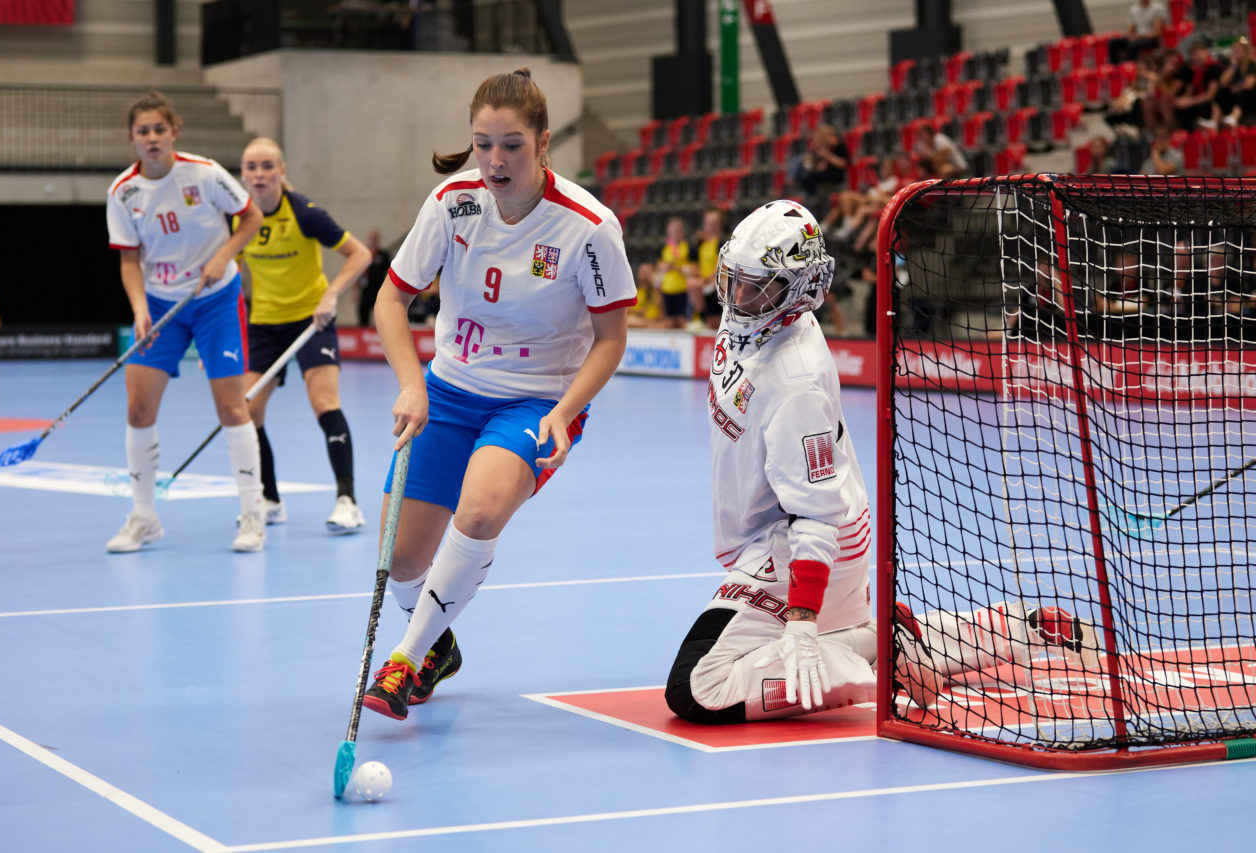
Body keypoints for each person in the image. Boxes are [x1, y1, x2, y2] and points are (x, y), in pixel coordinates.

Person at [663, 200, 1101, 723]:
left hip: (802, 544)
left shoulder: (796, 380)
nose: (741, 299)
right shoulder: (749, 326)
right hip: (775, 533)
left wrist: (803, 621)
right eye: (735, 280)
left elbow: (816, 513)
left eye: (761, 288)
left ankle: (882, 661)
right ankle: (997, 630)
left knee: (697, 688)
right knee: (804, 644)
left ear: (801, 291)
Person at [363, 68, 638, 720]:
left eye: (511, 144)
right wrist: (411, 383)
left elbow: (610, 337)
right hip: (449, 391)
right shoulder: (451, 203)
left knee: (480, 511)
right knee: (401, 558)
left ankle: (403, 660)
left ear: (543, 144)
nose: (494, 160)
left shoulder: (589, 227)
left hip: (536, 402)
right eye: (483, 143)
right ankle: (438, 647)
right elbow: (390, 300)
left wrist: (566, 415)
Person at [104, 91, 265, 553]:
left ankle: (252, 513)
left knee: (232, 407)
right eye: (143, 131)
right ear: (131, 138)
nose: (151, 138)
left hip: (216, 298)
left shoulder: (205, 173)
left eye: (159, 129)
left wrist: (222, 256)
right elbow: (129, 260)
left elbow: (250, 218)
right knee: (138, 409)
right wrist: (139, 310)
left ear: (174, 131)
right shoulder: (122, 193)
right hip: (159, 306)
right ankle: (143, 517)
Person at [236, 137, 373, 532]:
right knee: (247, 413)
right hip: (264, 324)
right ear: (243, 174)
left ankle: (347, 500)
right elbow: (229, 268)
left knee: (324, 401)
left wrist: (331, 294)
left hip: (311, 321)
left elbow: (360, 254)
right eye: (251, 167)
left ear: (281, 171)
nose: (259, 174)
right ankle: (269, 498)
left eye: (266, 166)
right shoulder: (240, 219)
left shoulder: (304, 213)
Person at [788, 124, 848, 219]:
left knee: (809, 176)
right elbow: (821, 166)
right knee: (804, 171)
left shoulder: (839, 146)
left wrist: (827, 155)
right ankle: (807, 195)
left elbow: (842, 164)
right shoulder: (824, 148)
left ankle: (810, 196)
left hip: (837, 175)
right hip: (825, 174)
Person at [1108, 0, 1168, 65]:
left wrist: (1138, 36)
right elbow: (1130, 29)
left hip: (1151, 39)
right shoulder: (1133, 9)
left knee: (1132, 45)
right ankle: (1114, 68)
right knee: (1113, 42)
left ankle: (1130, 67)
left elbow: (1157, 33)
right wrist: (1130, 35)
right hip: (1137, 38)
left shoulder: (1157, 8)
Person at [357, 228, 392, 327]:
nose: (372, 240)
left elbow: (389, 272)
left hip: (378, 289)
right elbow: (357, 272)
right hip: (365, 290)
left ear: (378, 239)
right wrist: (355, 290)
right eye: (370, 238)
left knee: (380, 314)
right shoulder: (362, 253)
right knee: (363, 312)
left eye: (374, 238)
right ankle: (362, 334)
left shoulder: (384, 255)